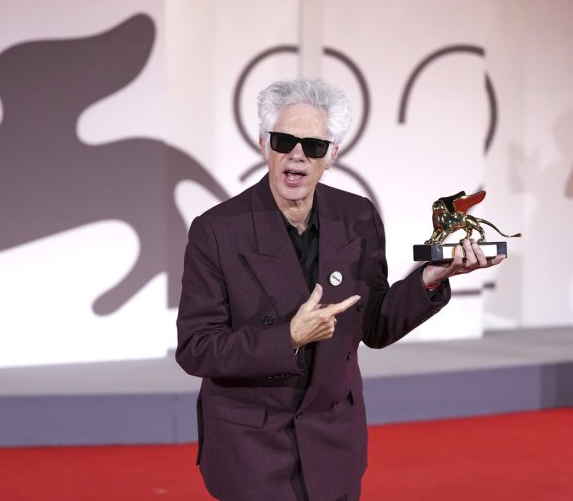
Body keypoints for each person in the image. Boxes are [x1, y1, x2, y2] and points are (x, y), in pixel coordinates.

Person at [175, 78, 504, 501]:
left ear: (331, 155)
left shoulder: (357, 217)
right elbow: (197, 349)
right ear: (263, 145)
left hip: (333, 445)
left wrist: (432, 277)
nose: (297, 155)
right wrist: (288, 337)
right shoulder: (217, 230)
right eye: (284, 141)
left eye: (313, 146)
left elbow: (375, 326)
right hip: (253, 451)